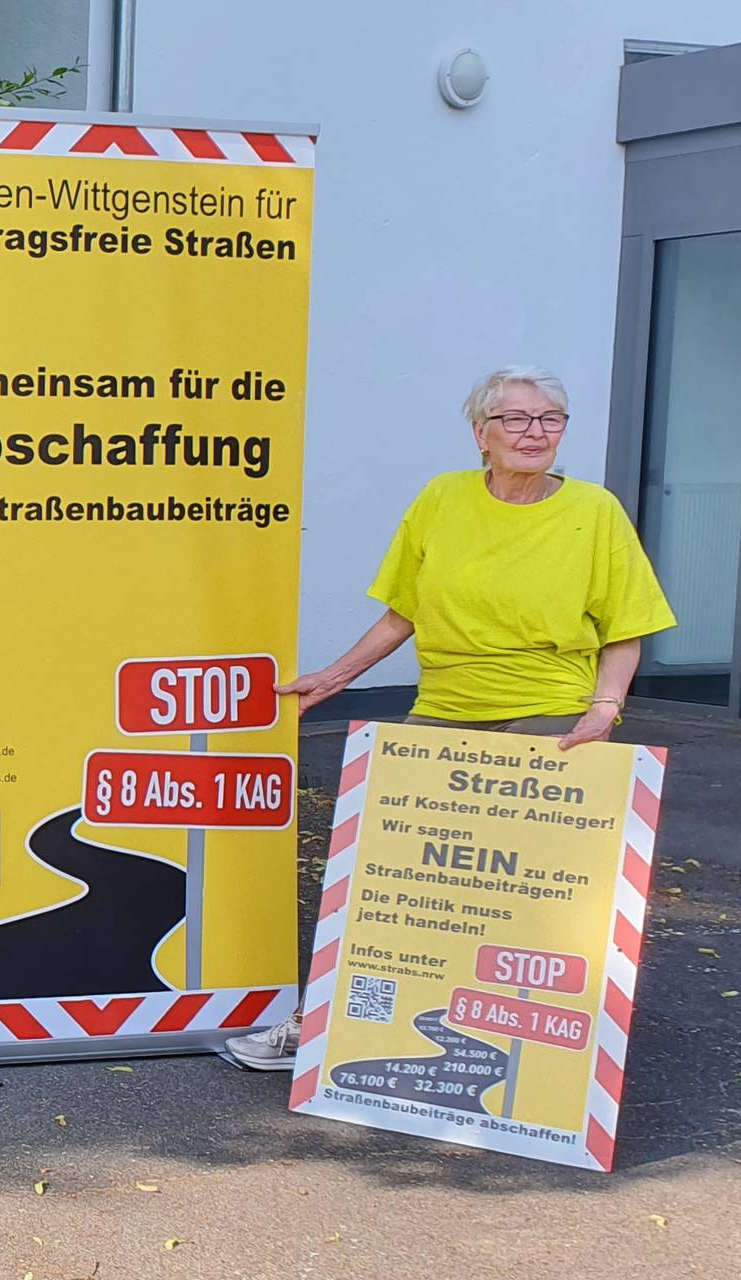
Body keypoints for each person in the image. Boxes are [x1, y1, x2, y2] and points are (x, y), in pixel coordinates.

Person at [228, 364, 674, 1071]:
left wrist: (604, 708)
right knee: (386, 872)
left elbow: (627, 626)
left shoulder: (595, 512)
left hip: (552, 708)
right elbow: (403, 611)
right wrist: (337, 676)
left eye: (550, 418)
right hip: (444, 703)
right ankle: (324, 1026)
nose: (535, 432)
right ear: (480, 434)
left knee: (529, 883)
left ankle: (541, 1060)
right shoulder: (442, 499)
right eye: (516, 419)